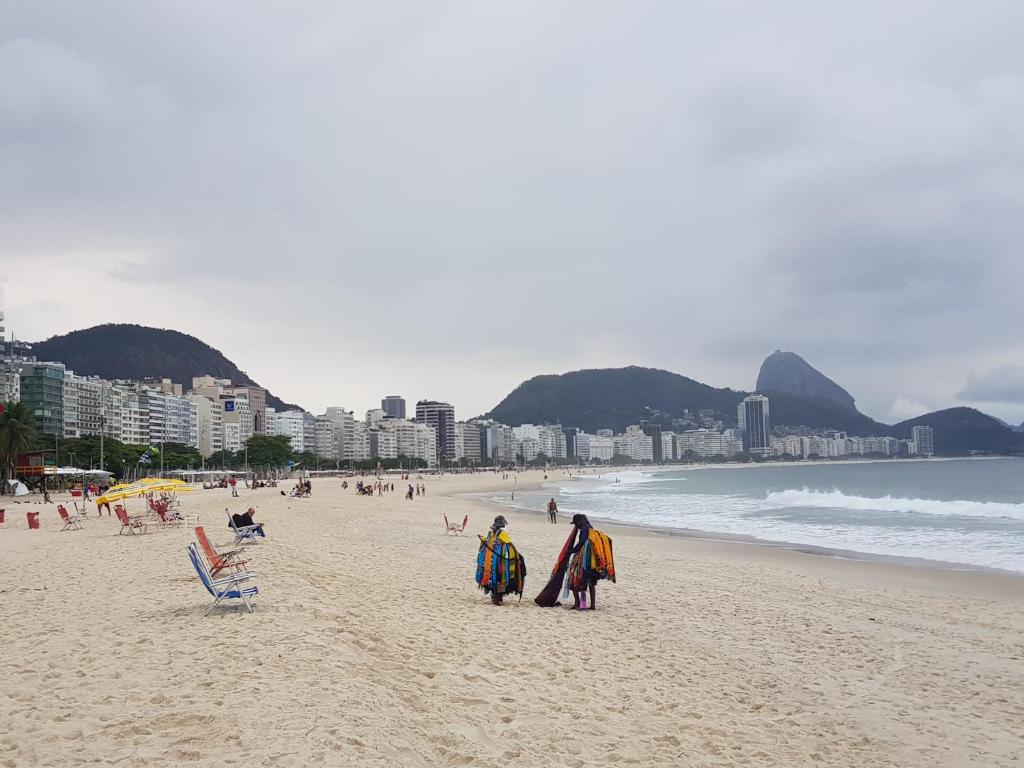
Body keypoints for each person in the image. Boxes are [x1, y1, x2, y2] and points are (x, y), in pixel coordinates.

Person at [534, 513, 615, 610]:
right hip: (592, 561)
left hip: (584, 559)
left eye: (576, 523)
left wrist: (572, 550)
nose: (576, 526)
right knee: (590, 582)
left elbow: (581, 542)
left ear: (579, 521)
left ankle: (579, 604)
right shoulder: (591, 528)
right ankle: (591, 605)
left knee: (574, 579)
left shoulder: (584, 529)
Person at [476, 516, 526, 605]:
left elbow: (490, 541)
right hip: (501, 557)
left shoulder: (494, 533)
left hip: (494, 556)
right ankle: (497, 598)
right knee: (501, 575)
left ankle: (496, 596)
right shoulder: (502, 533)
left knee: (496, 575)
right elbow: (507, 541)